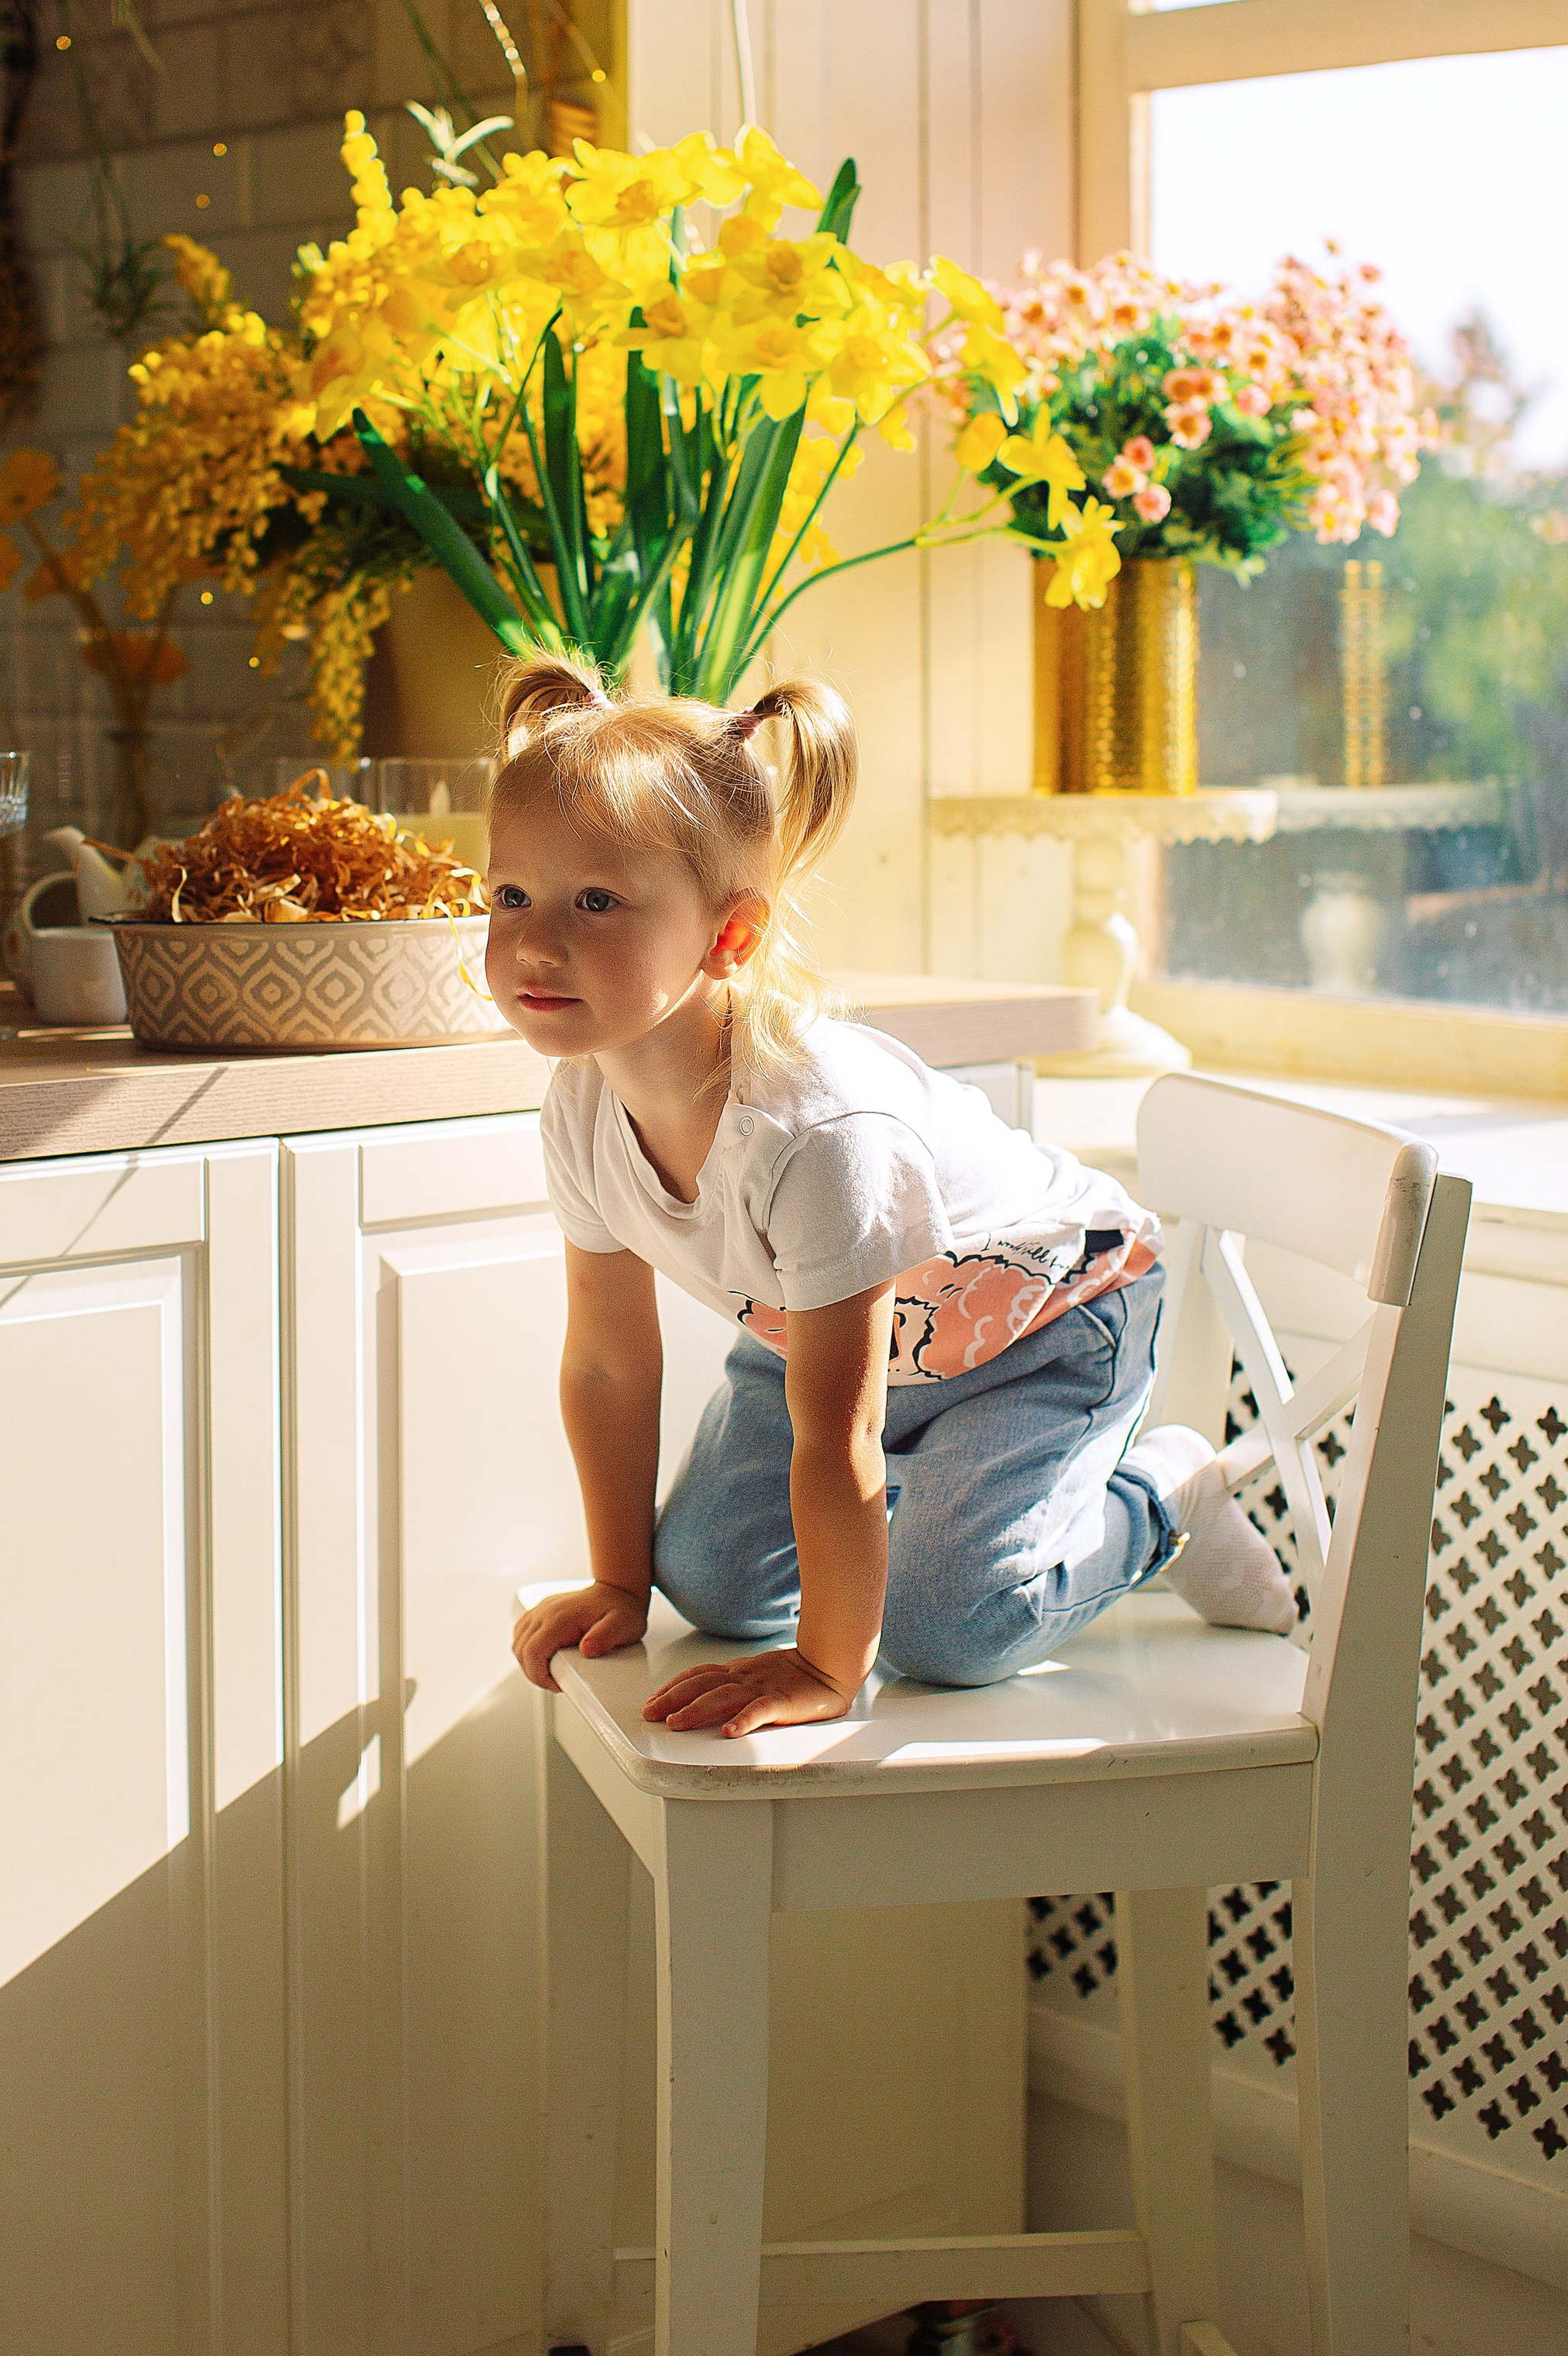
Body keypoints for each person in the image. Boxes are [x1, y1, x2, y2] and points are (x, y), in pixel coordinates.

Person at [495, 654, 1294, 1737]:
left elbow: (839, 1430)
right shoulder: (581, 1106)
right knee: (710, 1585)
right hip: (844, 1342)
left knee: (949, 1632)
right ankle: (949, 1504)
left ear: (731, 935)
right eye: (510, 894)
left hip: (1044, 1326)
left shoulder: (819, 1135)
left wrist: (828, 1670)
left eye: (596, 901)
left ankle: (1163, 1496)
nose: (535, 940)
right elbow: (607, 1356)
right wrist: (619, 1586)